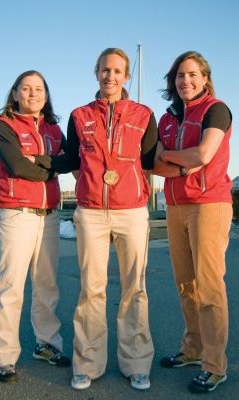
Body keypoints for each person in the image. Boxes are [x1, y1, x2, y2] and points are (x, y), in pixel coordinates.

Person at [35, 47, 158, 390]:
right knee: (92, 289)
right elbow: (74, 160)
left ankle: (136, 362)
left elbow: (148, 162)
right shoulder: (79, 115)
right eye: (105, 70)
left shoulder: (144, 114)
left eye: (117, 71)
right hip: (91, 212)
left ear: (126, 76)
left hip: (132, 211)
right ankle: (87, 363)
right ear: (97, 72)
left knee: (135, 288)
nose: (110, 76)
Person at [152, 51, 232, 393]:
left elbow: (204, 154)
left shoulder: (217, 109)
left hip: (209, 204)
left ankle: (215, 366)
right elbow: (154, 164)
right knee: (186, 284)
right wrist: (179, 164)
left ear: (204, 78)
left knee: (210, 287)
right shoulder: (167, 118)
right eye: (180, 76)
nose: (186, 81)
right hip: (174, 205)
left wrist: (175, 159)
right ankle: (193, 349)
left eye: (192, 74)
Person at [0, 70, 71, 384]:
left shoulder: (52, 128)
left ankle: (46, 344)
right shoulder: (3, 126)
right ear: (15, 93)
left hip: (48, 215)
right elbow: (17, 167)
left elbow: (69, 160)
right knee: (10, 288)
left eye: (39, 89)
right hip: (16, 214)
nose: (33, 93)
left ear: (46, 96)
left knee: (47, 285)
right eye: (26, 88)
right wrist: (48, 163)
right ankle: (3, 356)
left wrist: (38, 159)